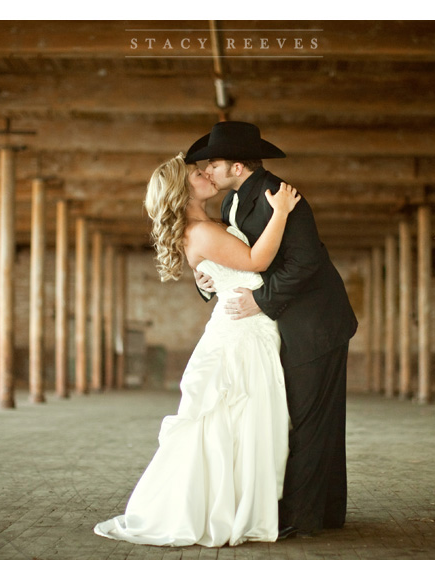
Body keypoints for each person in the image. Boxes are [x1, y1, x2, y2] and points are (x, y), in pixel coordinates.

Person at [93, 153, 301, 547]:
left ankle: (239, 505)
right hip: (240, 335)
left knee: (239, 422)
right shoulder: (202, 232)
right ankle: (231, 509)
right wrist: (282, 212)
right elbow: (257, 259)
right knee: (236, 420)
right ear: (183, 189)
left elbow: (227, 270)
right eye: (197, 173)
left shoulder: (209, 225)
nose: (207, 174)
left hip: (246, 327)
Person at [185, 121, 358, 538]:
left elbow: (305, 263)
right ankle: (325, 512)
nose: (209, 169)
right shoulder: (231, 203)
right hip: (283, 324)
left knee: (310, 420)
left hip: (316, 322)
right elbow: (232, 258)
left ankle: (303, 517)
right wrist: (206, 279)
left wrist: (259, 301)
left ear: (238, 166)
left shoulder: (281, 197)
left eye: (215, 163)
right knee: (301, 419)